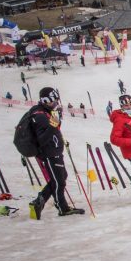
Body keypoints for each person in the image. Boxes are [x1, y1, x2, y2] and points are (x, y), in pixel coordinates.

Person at [25, 87, 84, 219]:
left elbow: (54, 130)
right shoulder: (39, 115)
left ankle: (39, 202)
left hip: (55, 151)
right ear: (46, 101)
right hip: (49, 153)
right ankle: (62, 208)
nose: (56, 103)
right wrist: (54, 122)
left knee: (61, 178)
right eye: (54, 101)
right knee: (59, 181)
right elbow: (43, 138)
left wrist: (56, 124)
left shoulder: (46, 112)